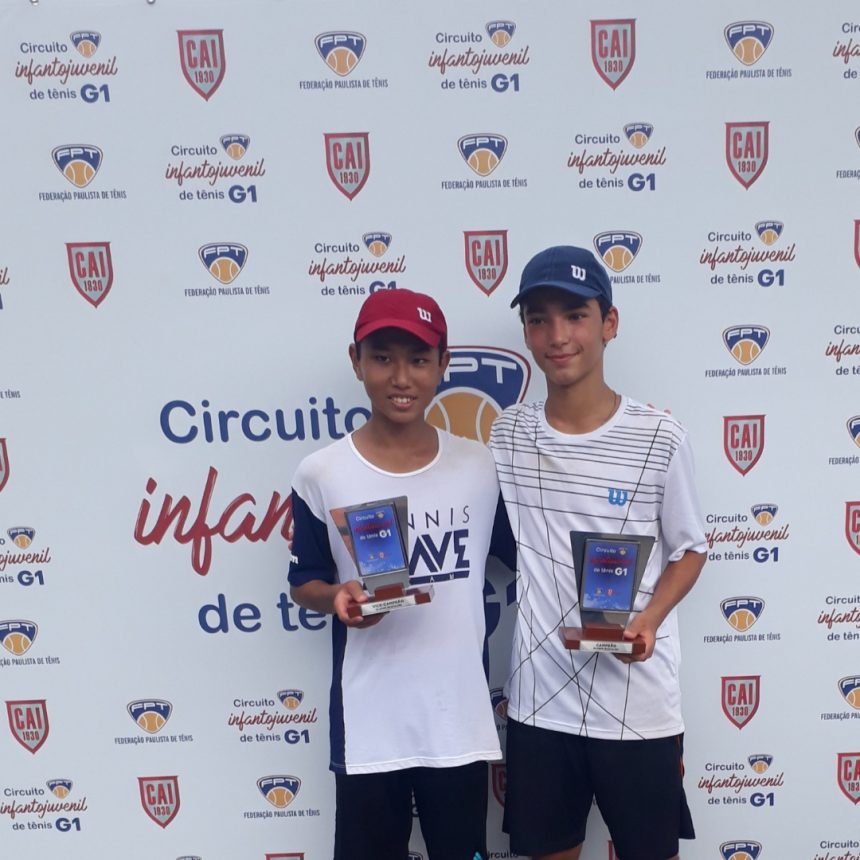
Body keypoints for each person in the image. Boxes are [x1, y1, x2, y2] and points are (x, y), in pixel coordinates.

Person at [488, 246, 707, 860]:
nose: (558, 336)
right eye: (539, 319)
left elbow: (690, 549)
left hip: (637, 702)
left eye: (575, 315)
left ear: (609, 323)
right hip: (540, 702)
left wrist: (650, 620)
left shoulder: (660, 436)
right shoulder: (508, 433)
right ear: (526, 332)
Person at [288, 288, 511, 860]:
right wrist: (336, 597)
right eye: (383, 358)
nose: (401, 377)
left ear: (443, 364)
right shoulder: (321, 472)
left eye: (418, 359)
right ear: (356, 361)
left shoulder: (480, 465)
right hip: (369, 727)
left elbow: (531, 558)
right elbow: (304, 582)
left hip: (457, 724)